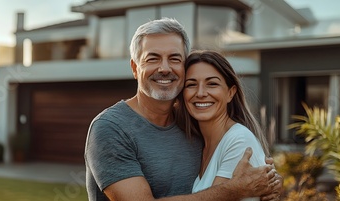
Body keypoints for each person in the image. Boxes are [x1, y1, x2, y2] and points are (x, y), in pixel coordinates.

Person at [85, 18, 281, 201]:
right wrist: (234, 189)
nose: (164, 68)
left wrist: (266, 184)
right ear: (135, 68)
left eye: (174, 58)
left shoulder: (190, 124)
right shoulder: (110, 128)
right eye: (153, 58)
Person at [175, 50, 274, 200]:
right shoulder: (199, 144)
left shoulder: (239, 141)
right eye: (191, 84)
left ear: (230, 93)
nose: (200, 93)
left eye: (212, 84)